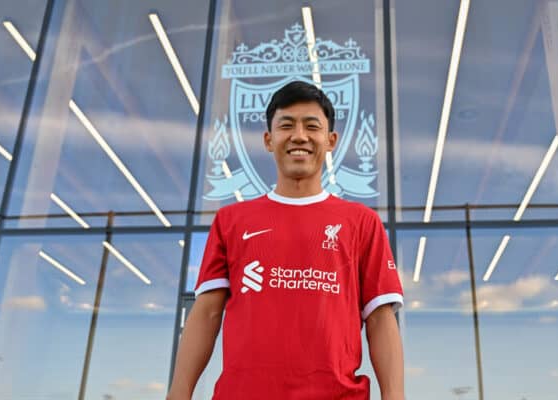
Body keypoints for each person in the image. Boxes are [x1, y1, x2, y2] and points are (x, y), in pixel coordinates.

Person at [166, 81, 405, 400]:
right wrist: (178, 393)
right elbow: (207, 312)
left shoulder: (361, 221)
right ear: (269, 139)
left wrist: (395, 395)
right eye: (286, 125)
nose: (299, 136)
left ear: (331, 140)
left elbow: (380, 318)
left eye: (312, 126)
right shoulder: (232, 220)